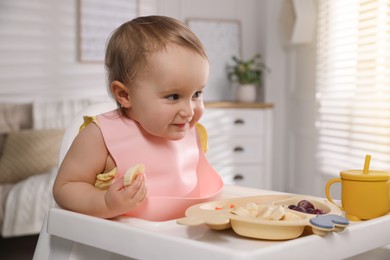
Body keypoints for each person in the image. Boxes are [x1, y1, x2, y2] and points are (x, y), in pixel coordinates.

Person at [53, 15, 223, 221]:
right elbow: (65, 188)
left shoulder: (190, 131)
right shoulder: (100, 136)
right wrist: (105, 203)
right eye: (173, 96)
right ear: (124, 95)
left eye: (197, 94)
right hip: (119, 247)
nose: (189, 111)